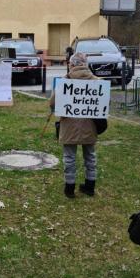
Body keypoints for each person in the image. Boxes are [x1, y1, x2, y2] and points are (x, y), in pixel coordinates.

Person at [48, 52, 100, 198]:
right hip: (90, 125)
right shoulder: (97, 81)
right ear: (85, 64)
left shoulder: (65, 81)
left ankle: (69, 188)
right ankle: (90, 185)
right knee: (90, 156)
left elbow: (52, 103)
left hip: (69, 125)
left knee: (69, 157)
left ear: (71, 64)